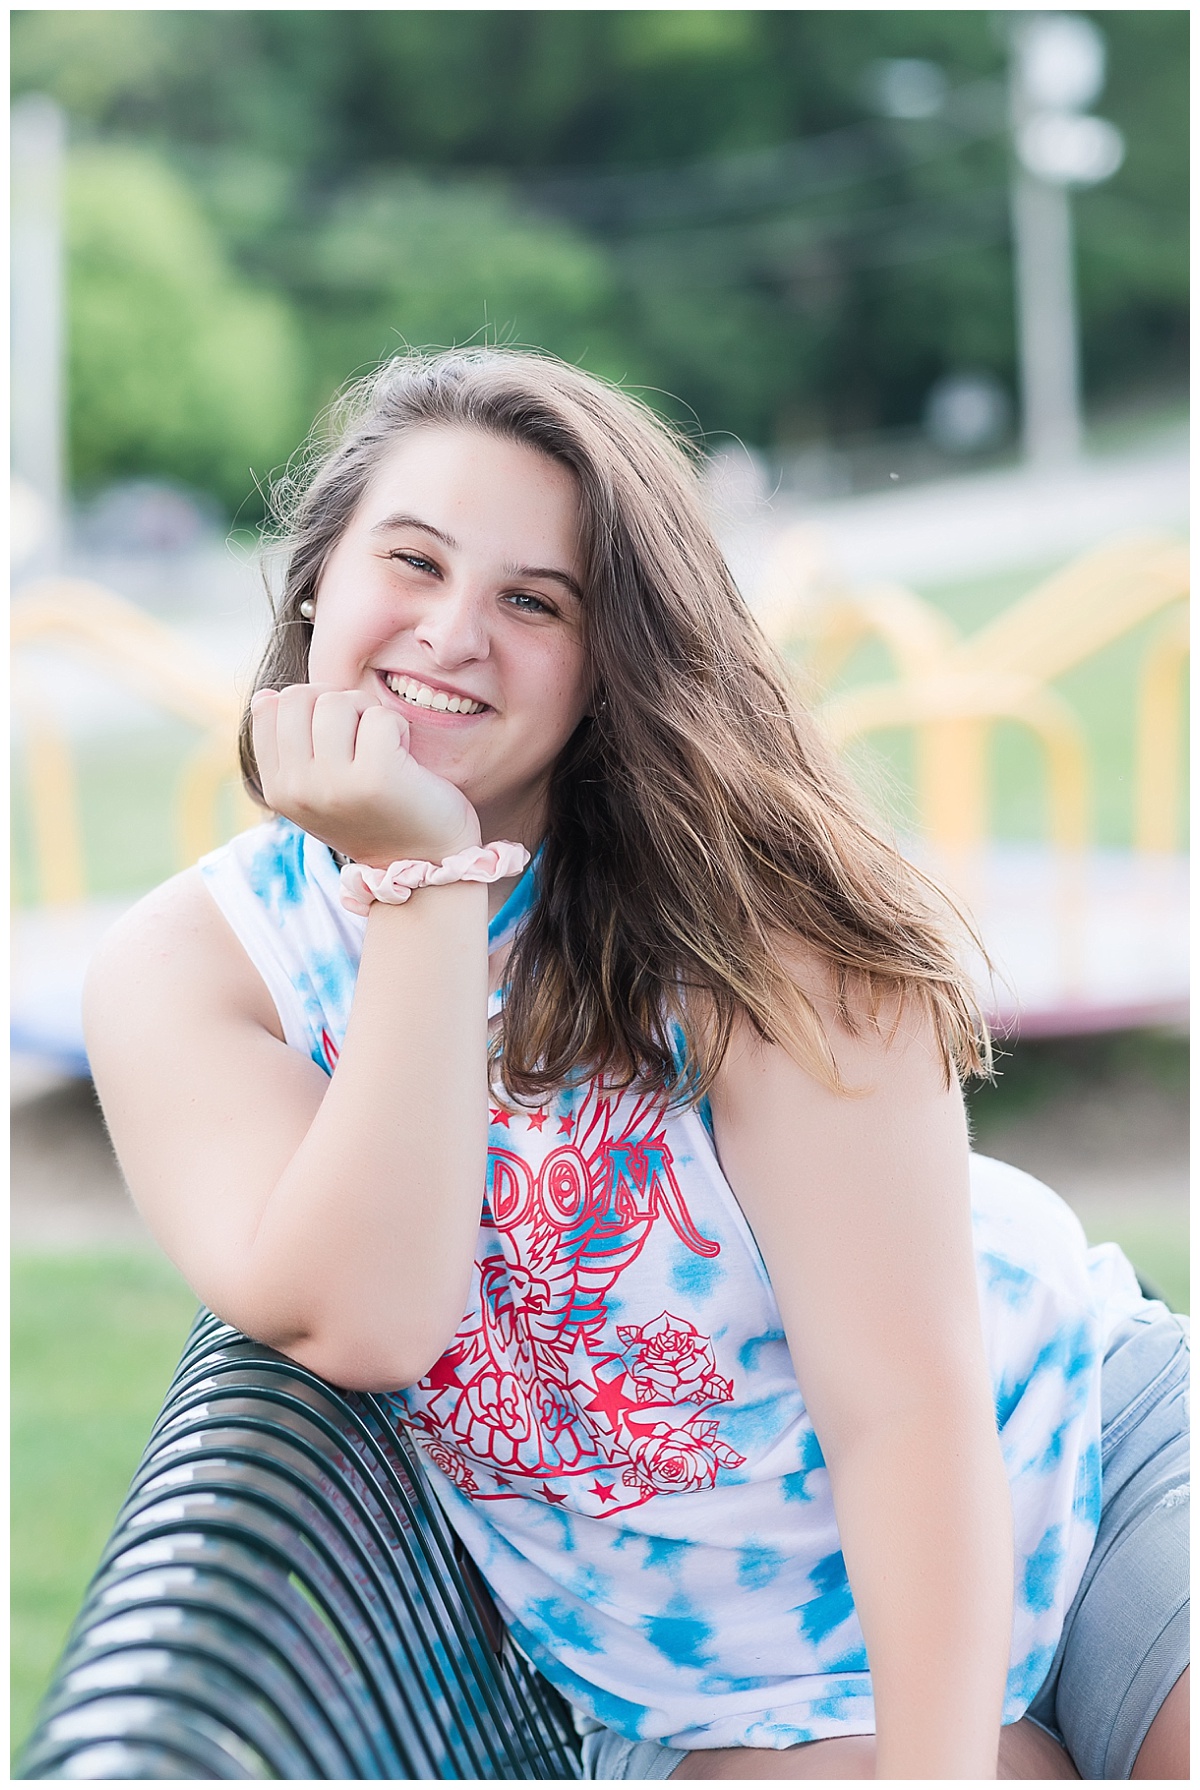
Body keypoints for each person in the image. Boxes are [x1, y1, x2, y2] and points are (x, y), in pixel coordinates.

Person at [84, 349, 1188, 1780]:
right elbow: (366, 1318)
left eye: (534, 602)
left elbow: (904, 1415)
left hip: (1068, 1469)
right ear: (316, 585)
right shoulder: (197, 971)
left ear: (610, 661)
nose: (452, 633)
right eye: (412, 562)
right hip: (728, 1692)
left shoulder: (744, 923)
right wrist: (427, 881)